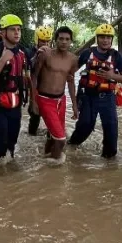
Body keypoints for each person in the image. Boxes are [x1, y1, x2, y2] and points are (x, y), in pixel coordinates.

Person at [68, 23, 122, 158]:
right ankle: (70, 148)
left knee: (111, 129)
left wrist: (112, 76)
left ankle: (109, 162)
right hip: (88, 96)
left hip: (107, 97)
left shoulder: (117, 56)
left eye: (108, 37)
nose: (105, 40)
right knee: (85, 126)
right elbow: (71, 72)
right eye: (102, 37)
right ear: (97, 38)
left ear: (112, 39)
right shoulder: (87, 53)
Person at [0, 14, 30, 163]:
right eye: (12, 29)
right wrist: (3, 59)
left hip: (15, 101)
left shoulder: (22, 52)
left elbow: (28, 74)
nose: (17, 32)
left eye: (19, 29)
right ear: (2, 32)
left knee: (12, 137)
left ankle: (8, 169)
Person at [31, 26, 79, 159]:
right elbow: (34, 77)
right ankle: (54, 169)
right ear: (55, 40)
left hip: (61, 101)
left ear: (71, 41)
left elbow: (70, 82)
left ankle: (45, 158)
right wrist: (33, 101)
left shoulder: (73, 59)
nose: (64, 42)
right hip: (44, 99)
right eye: (61, 39)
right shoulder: (46, 54)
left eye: (67, 39)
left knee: (53, 136)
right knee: (61, 139)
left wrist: (74, 105)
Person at [28, 25, 54, 136]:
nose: (45, 44)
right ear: (37, 40)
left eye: (47, 42)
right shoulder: (30, 52)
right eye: (43, 41)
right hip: (35, 89)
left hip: (49, 90)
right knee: (35, 115)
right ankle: (31, 135)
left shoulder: (53, 53)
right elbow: (28, 68)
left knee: (51, 118)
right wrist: (37, 56)